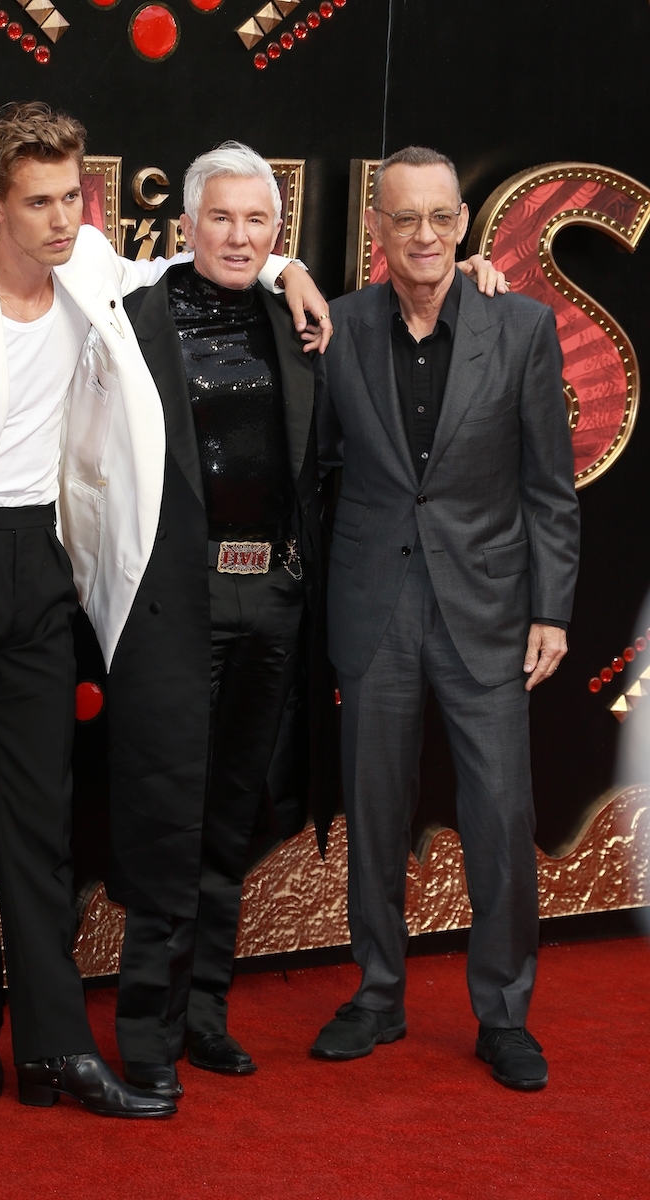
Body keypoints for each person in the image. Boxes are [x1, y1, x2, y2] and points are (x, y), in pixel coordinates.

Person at [0, 104, 323, 1115]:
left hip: (43, 565)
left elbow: (178, 270)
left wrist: (285, 269)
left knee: (40, 824)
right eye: (40, 202)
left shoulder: (93, 268)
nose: (64, 218)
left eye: (73, 196)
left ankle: (55, 1049)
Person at [60, 142, 506, 1102]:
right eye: (218, 217)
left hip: (273, 600)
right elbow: (80, 252)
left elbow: (418, 312)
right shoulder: (126, 307)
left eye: (257, 221)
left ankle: (204, 1016)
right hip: (169, 598)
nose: (237, 234)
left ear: (279, 229)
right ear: (185, 224)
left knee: (230, 817)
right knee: (164, 818)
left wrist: (301, 273)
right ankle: (147, 1036)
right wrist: (280, 264)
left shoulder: (304, 320)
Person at [311, 146, 580, 1091]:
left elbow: (551, 487)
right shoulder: (335, 327)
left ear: (464, 224)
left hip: (489, 610)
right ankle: (379, 994)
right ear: (375, 228)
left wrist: (552, 606)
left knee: (502, 817)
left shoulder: (522, 328)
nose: (422, 236)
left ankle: (503, 1013)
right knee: (374, 812)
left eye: (439, 218)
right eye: (402, 219)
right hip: (373, 607)